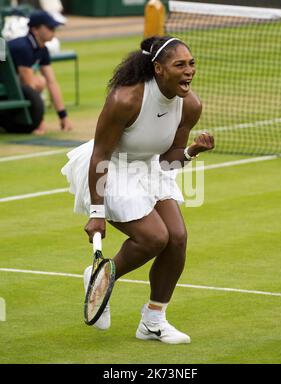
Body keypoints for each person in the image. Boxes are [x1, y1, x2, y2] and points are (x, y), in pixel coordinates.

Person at [61, 36, 214, 344]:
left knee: (177, 239)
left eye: (192, 64)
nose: (189, 72)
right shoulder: (126, 100)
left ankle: (153, 321)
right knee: (154, 237)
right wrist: (96, 213)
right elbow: (100, 156)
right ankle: (102, 276)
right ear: (158, 69)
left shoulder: (190, 106)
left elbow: (168, 162)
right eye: (179, 65)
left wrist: (190, 152)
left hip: (148, 169)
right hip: (110, 168)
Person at [7, 10, 72, 134]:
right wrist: (38, 121)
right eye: (49, 27)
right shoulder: (23, 48)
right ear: (35, 30)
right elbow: (29, 84)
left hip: (9, 81)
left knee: (40, 81)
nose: (53, 30)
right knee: (37, 82)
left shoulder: (42, 49)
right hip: (5, 82)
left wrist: (63, 116)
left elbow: (52, 82)